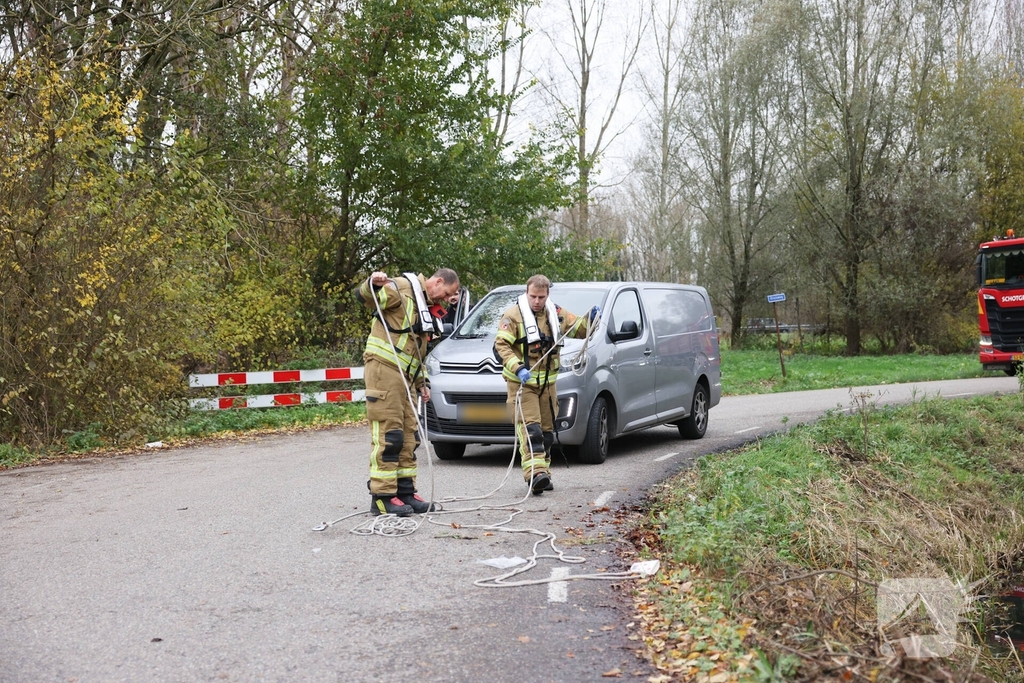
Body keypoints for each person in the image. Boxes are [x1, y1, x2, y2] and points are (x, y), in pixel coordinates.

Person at [354, 268, 461, 516]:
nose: (446, 299)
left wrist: (422, 381)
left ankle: (405, 493)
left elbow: (416, 349)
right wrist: (373, 283)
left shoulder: (425, 304)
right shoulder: (403, 288)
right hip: (385, 370)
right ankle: (382, 498)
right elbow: (367, 298)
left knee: (409, 438)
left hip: (408, 378)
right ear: (438, 281)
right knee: (389, 436)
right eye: (447, 293)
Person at [493, 275, 600, 495]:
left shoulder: (556, 313)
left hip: (548, 385)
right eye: (533, 296)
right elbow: (501, 345)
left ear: (547, 295)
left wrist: (591, 319)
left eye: (541, 297)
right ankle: (535, 474)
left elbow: (579, 329)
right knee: (531, 430)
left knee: (547, 433)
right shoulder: (513, 316)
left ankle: (544, 473)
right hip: (523, 384)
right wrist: (518, 367)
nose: (537, 301)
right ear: (526, 293)